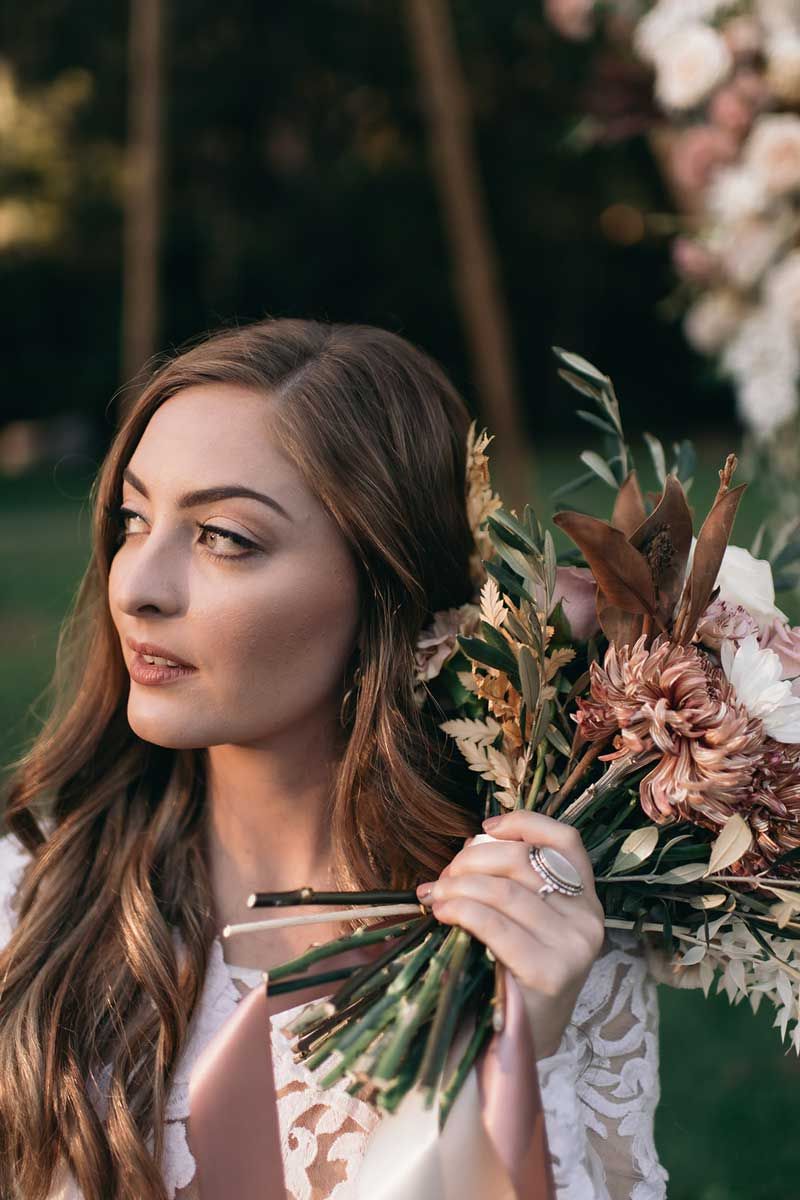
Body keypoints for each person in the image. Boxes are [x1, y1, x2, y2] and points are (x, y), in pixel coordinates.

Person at [0, 318, 668, 1200]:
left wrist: (520, 1045)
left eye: (224, 538)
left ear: (383, 585)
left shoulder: (539, 939)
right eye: (134, 518)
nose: (136, 585)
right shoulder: (28, 893)